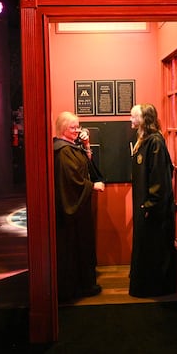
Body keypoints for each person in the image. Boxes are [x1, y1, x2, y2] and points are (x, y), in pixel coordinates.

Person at [53, 111, 105, 302]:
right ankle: (77, 287)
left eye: (78, 126)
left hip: (80, 209)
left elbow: (86, 165)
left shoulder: (71, 147)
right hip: (72, 212)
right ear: (62, 128)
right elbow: (73, 181)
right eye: (72, 127)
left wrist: (86, 145)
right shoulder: (63, 151)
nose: (77, 130)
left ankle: (82, 284)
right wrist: (92, 185)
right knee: (74, 248)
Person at [128, 103, 177, 298]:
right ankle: (143, 283)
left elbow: (159, 176)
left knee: (153, 247)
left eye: (134, 116)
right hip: (143, 205)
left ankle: (153, 287)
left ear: (143, 119)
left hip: (152, 208)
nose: (130, 120)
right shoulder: (143, 139)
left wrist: (151, 203)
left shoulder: (155, 142)